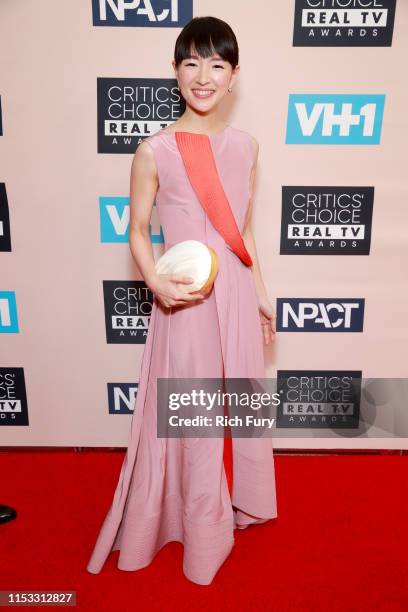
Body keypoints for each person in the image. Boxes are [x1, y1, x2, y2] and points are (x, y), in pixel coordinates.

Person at [87, 15, 278, 586]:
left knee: (243, 404)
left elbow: (242, 232)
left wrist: (262, 296)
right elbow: (138, 231)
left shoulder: (247, 147)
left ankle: (245, 502)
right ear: (175, 70)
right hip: (188, 298)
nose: (204, 76)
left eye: (217, 64)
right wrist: (155, 282)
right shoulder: (155, 151)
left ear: (233, 74)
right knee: (193, 415)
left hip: (238, 291)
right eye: (191, 62)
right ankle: (201, 533)